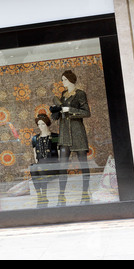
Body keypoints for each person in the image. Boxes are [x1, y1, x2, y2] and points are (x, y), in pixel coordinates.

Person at [50, 70, 91, 205]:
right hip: (65, 134)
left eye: (65, 79)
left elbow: (86, 113)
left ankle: (85, 195)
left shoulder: (80, 94)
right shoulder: (63, 95)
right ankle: (61, 197)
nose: (63, 82)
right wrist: (55, 111)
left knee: (83, 165)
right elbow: (59, 115)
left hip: (77, 133)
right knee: (62, 166)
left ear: (71, 80)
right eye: (62, 80)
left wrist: (70, 110)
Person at [31, 114, 59, 208]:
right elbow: (35, 153)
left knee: (42, 169)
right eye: (39, 124)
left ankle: (44, 196)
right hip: (41, 164)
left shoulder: (55, 136)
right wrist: (37, 164)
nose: (40, 127)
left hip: (53, 165)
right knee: (33, 168)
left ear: (47, 124)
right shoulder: (35, 138)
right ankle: (40, 196)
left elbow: (58, 152)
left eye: (43, 124)